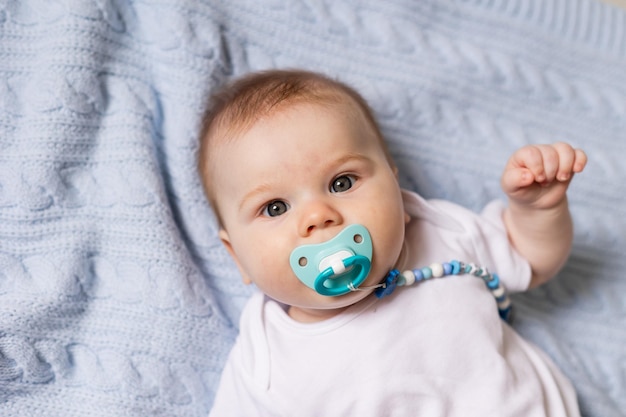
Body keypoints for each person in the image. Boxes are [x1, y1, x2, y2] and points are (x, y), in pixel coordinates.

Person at [198, 69, 587, 416]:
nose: (318, 216)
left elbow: (531, 260)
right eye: (275, 207)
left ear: (397, 192)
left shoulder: (439, 231)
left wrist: (538, 211)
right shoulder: (266, 359)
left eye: (342, 182)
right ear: (238, 258)